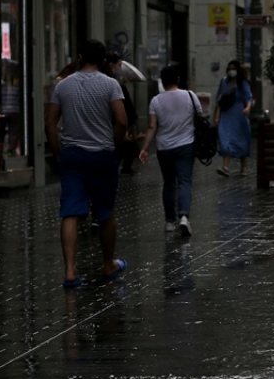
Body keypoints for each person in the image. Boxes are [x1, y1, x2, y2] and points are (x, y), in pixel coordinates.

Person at [45, 39, 128, 287]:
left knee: (70, 212)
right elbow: (122, 121)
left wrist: (58, 153)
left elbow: (50, 122)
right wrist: (114, 145)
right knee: (105, 213)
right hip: (102, 156)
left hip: (72, 157)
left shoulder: (63, 86)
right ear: (103, 60)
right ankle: (108, 264)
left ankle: (70, 272)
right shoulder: (110, 84)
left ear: (79, 56)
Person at [138, 65, 199, 237]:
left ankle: (169, 222)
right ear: (178, 79)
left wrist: (144, 148)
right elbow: (200, 116)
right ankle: (184, 216)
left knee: (169, 183)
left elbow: (152, 127)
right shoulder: (190, 96)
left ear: (162, 82)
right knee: (185, 181)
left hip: (164, 147)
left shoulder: (156, 101)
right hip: (186, 145)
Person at [213, 59, 254, 177]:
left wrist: (247, 108)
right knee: (224, 137)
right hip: (226, 113)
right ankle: (225, 166)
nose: (231, 71)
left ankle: (243, 167)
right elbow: (219, 99)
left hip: (239, 114)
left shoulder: (243, 83)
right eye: (229, 69)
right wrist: (216, 115)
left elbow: (249, 98)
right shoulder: (224, 82)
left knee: (241, 139)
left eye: (233, 69)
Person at [105, 53, 140, 174]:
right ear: (111, 65)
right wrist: (131, 127)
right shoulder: (115, 86)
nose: (120, 68)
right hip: (114, 129)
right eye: (119, 65)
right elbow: (127, 109)